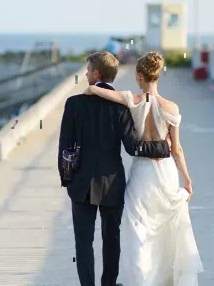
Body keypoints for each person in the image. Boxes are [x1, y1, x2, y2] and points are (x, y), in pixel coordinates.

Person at [85, 52, 204, 285]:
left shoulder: (132, 100)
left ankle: (142, 279)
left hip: (142, 174)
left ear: (139, 76)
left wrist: (90, 90)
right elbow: (177, 149)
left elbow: (100, 91)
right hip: (165, 173)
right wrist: (187, 180)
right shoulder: (171, 108)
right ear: (157, 76)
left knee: (139, 231)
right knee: (166, 227)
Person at [58, 51, 173, 286]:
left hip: (81, 184)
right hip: (112, 183)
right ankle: (109, 284)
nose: (87, 73)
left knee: (83, 241)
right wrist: (164, 146)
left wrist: (67, 180)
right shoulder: (121, 106)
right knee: (112, 238)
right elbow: (133, 147)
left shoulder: (74, 103)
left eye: (88, 70)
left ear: (97, 73)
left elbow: (64, 148)